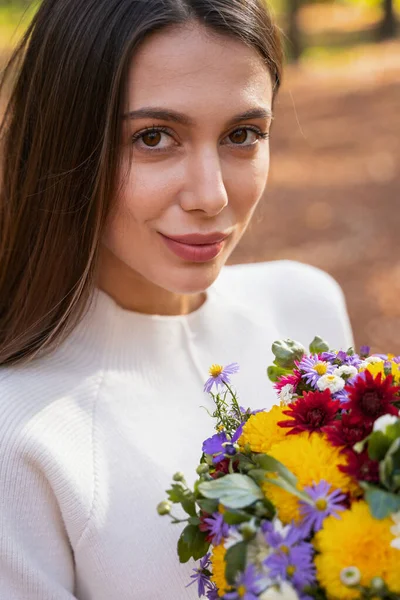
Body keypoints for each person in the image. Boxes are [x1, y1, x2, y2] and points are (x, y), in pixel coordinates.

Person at [0, 0, 354, 598]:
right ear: (64, 143)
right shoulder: (21, 434)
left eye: (243, 135)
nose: (210, 196)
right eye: (154, 137)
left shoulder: (306, 309)